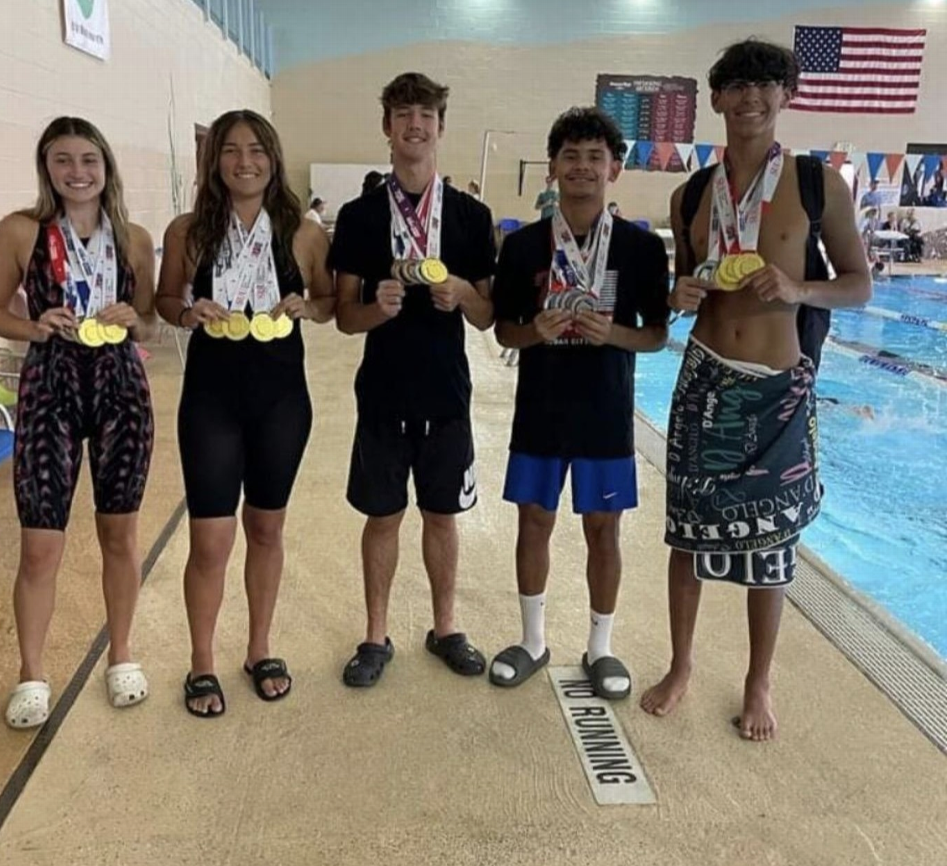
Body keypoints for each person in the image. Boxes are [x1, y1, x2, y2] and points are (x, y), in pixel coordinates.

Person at [640, 38, 871, 742]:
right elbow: (681, 287)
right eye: (737, 86)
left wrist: (800, 287)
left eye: (766, 85)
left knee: (770, 548)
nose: (751, 98)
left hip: (777, 391)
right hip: (705, 381)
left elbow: (859, 282)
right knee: (688, 537)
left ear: (785, 97)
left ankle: (757, 679)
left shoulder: (814, 183)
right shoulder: (690, 195)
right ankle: (681, 664)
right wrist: (676, 294)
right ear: (716, 98)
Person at [0, 118, 157, 729]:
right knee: (40, 545)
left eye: (88, 160)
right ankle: (31, 673)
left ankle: (122, 655)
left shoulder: (134, 239)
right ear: (45, 167)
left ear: (107, 167)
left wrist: (136, 317)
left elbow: (151, 324)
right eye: (62, 160)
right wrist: (34, 327)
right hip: (50, 390)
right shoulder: (21, 232)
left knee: (120, 535)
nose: (77, 172)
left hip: (120, 392)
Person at [156, 110, 334, 718]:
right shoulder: (189, 230)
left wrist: (308, 308)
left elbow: (331, 300)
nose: (244, 161)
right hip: (211, 399)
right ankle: (202, 661)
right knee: (210, 538)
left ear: (273, 157)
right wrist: (186, 314)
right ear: (215, 161)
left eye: (255, 150)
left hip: (282, 400)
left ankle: (260, 648)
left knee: (266, 529)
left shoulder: (305, 233)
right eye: (230, 151)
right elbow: (163, 299)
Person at [489, 108, 669, 696]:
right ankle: (534, 641)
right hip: (540, 409)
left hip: (605, 412)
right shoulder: (521, 247)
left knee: (603, 530)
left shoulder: (641, 248)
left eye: (595, 157)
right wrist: (534, 332)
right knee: (534, 521)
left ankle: (600, 647)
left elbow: (657, 334)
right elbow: (503, 331)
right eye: (571, 156)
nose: (583, 167)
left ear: (614, 168)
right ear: (552, 168)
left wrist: (612, 334)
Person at [330, 71, 496, 688]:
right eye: (402, 114)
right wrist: (379, 309)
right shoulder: (360, 216)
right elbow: (345, 317)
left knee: (442, 516)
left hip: (447, 393)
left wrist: (460, 295)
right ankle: (375, 635)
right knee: (382, 517)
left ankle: (445, 627)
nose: (414, 125)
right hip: (382, 392)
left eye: (425, 114)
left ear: (440, 127)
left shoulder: (472, 218)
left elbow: (491, 317)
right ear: (387, 127)